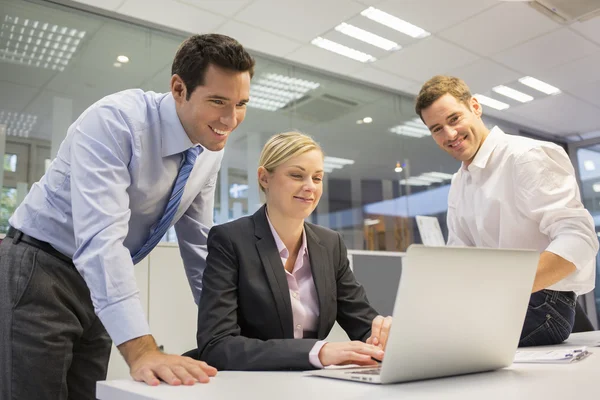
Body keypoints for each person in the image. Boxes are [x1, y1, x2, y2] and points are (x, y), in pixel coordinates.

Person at [0, 33, 254, 399]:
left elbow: (199, 245)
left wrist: (232, 332)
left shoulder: (209, 147)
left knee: (88, 393)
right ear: (179, 88)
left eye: (241, 103)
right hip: (41, 267)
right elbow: (100, 239)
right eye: (218, 101)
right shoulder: (116, 122)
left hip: (98, 280)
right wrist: (142, 349)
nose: (231, 119)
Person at [415, 75, 598, 347]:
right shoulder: (459, 182)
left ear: (475, 107)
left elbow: (579, 238)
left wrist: (506, 287)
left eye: (454, 119)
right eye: (437, 129)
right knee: (420, 335)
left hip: (545, 301)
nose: (449, 135)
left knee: (443, 344)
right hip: (494, 299)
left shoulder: (526, 155)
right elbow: (460, 255)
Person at [194, 131, 393, 370]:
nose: (310, 187)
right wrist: (318, 352)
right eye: (297, 175)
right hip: (249, 385)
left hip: (310, 385)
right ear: (264, 178)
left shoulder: (330, 245)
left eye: (317, 178)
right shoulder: (230, 240)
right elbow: (217, 345)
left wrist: (383, 336)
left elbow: (362, 324)